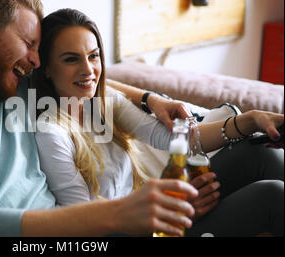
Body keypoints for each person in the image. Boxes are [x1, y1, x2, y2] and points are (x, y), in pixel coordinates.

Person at [0, 0, 202, 237]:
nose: (36, 60)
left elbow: (86, 77)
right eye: (28, 44)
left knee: (249, 175)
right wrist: (120, 213)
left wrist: (151, 99)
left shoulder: (18, 89)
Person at [32, 8, 284, 236]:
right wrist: (173, 214)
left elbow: (177, 139)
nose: (88, 69)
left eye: (93, 56)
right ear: (46, 68)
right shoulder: (51, 133)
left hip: (159, 215)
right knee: (273, 196)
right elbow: (84, 227)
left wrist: (251, 120)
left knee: (261, 152)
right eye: (71, 59)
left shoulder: (106, 101)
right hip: (142, 230)